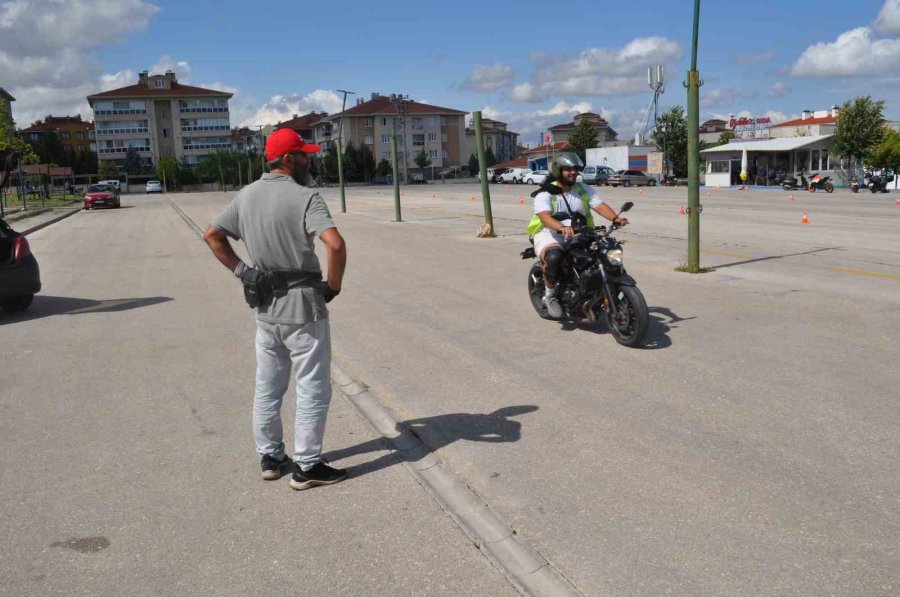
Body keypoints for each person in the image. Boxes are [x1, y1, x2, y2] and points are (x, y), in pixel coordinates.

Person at [203, 128, 348, 491]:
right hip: (303, 309)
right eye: (303, 155)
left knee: (268, 386)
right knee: (312, 387)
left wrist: (244, 273)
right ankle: (308, 465)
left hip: (266, 309)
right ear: (288, 160)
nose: (308, 160)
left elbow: (212, 235)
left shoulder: (246, 195)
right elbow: (335, 244)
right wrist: (333, 286)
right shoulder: (305, 197)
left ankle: (270, 457)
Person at [525, 154, 628, 319]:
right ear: (558, 171)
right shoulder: (545, 193)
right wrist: (561, 227)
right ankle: (550, 295)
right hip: (549, 233)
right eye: (568, 169)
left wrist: (616, 218)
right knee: (554, 257)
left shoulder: (583, 189)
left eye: (575, 169)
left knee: (603, 254)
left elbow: (599, 206)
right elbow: (545, 217)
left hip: (580, 231)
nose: (573, 172)